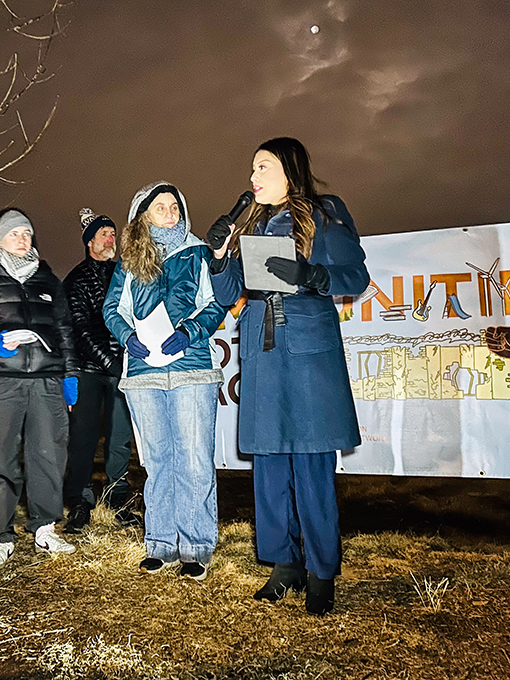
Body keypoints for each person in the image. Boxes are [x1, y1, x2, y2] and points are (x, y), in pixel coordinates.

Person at [206, 137, 370, 615]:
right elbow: (228, 293)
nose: (252, 177)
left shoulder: (324, 213)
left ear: (289, 170)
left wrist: (314, 277)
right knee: (270, 464)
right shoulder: (252, 225)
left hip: (307, 349)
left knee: (311, 465)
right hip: (261, 348)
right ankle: (284, 564)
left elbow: (355, 277)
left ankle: (321, 570)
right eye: (252, 169)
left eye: (263, 167)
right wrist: (218, 256)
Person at [103, 182, 225, 581]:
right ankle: (160, 544)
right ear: (143, 215)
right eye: (161, 207)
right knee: (158, 461)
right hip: (144, 373)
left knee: (194, 458)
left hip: (192, 367)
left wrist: (190, 332)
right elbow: (112, 309)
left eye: (175, 206)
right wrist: (127, 339)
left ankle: (196, 546)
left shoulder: (198, 253)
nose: (170, 212)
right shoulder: (129, 261)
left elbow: (214, 304)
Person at [0, 208, 80, 571]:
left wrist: (70, 376)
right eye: (14, 234)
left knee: (49, 456)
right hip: (1, 384)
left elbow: (65, 333)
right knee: (1, 459)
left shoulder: (49, 281)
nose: (23, 239)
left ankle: (45, 527)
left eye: (27, 233)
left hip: (46, 382)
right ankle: (0, 538)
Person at [61, 208, 139, 533]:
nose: (112, 239)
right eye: (105, 234)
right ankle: (79, 501)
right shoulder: (76, 279)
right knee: (83, 438)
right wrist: (112, 363)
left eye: (112, 234)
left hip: (121, 367)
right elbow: (79, 329)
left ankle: (117, 498)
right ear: (90, 242)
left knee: (120, 439)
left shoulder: (127, 274)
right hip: (89, 369)